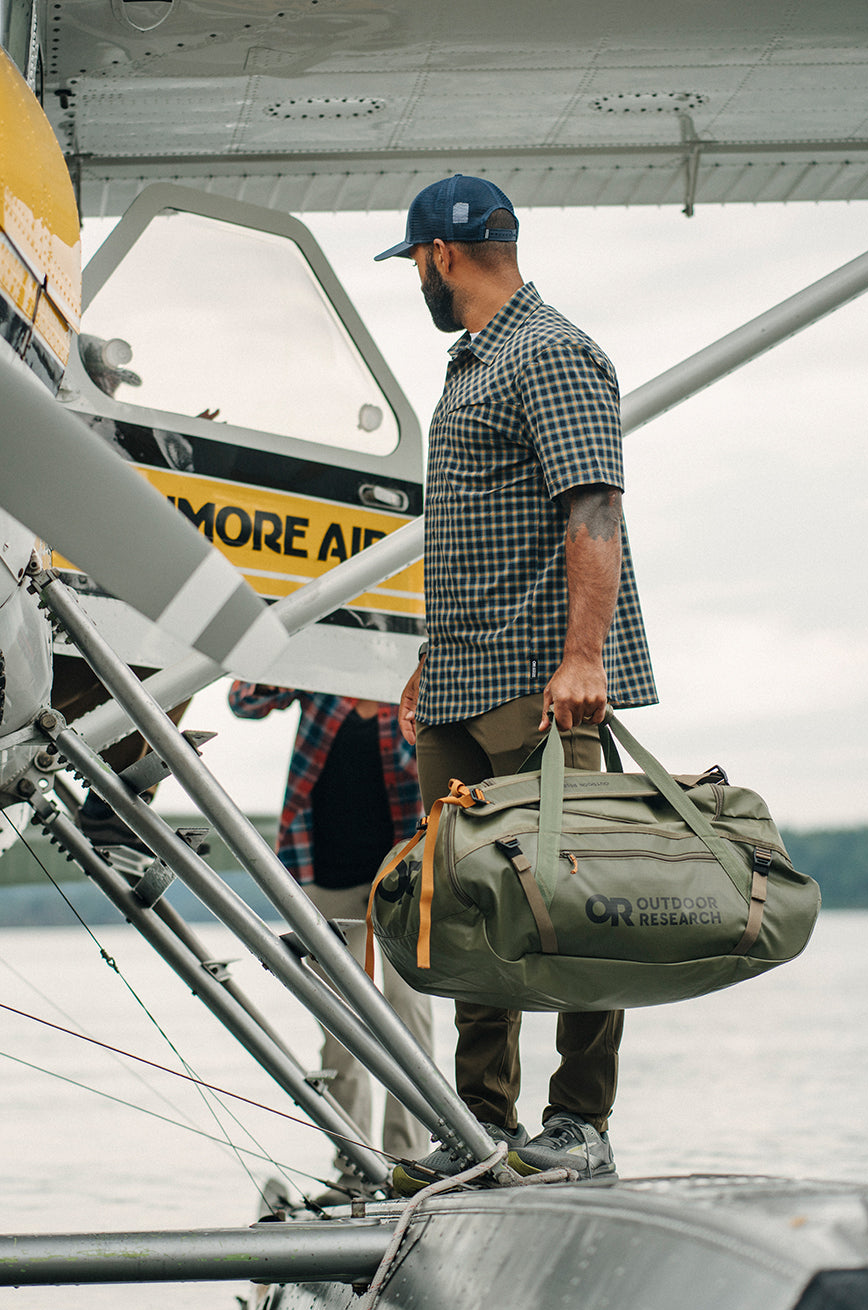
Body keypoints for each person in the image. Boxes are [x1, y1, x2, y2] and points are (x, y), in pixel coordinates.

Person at [376, 175, 658, 1194]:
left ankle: (579, 1121)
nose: (415, 275)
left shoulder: (554, 350)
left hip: (537, 686)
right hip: (459, 680)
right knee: (463, 908)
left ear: (440, 256)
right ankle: (476, 1124)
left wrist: (584, 659)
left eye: (412, 260)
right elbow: (480, 530)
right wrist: (430, 652)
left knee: (575, 898)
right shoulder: (469, 365)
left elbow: (593, 510)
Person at [227, 683, 433, 1190]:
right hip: (323, 877)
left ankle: (411, 1161)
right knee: (341, 1033)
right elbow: (242, 700)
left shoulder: (414, 688)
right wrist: (295, 652)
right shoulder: (321, 679)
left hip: (399, 881)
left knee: (407, 1016)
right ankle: (356, 1169)